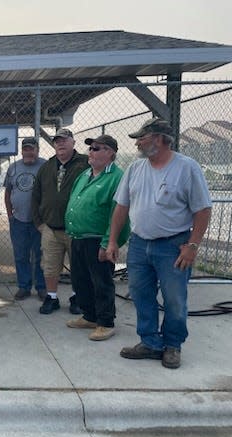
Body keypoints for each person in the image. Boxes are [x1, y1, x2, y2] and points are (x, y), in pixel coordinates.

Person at [106, 118, 212, 369]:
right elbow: (121, 207)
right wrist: (112, 241)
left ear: (159, 138)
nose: (138, 143)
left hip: (173, 246)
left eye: (142, 138)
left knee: (175, 298)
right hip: (140, 244)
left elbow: (203, 209)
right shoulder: (135, 169)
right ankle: (150, 343)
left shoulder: (187, 168)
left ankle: (173, 345)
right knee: (141, 295)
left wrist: (193, 246)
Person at [65, 135, 129, 341]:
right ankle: (90, 316)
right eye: (90, 148)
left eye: (96, 148)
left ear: (110, 153)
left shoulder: (117, 178)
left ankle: (105, 322)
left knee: (101, 282)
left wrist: (108, 243)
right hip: (78, 237)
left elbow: (117, 214)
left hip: (98, 239)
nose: (90, 152)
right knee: (80, 280)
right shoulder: (85, 175)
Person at [32, 128, 89, 314]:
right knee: (49, 266)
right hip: (50, 228)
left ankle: (77, 297)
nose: (61, 143)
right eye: (57, 141)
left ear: (73, 142)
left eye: (65, 140)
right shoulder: (46, 167)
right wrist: (39, 222)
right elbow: (36, 195)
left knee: (79, 266)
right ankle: (52, 297)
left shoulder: (85, 164)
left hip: (76, 228)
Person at [4, 137, 47, 301]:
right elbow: (7, 193)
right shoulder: (13, 167)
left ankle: (41, 287)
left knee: (40, 255)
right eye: (26, 149)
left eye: (32, 149)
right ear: (22, 151)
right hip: (18, 220)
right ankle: (24, 286)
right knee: (21, 255)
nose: (29, 152)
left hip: (39, 221)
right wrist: (9, 215)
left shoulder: (45, 166)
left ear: (37, 150)